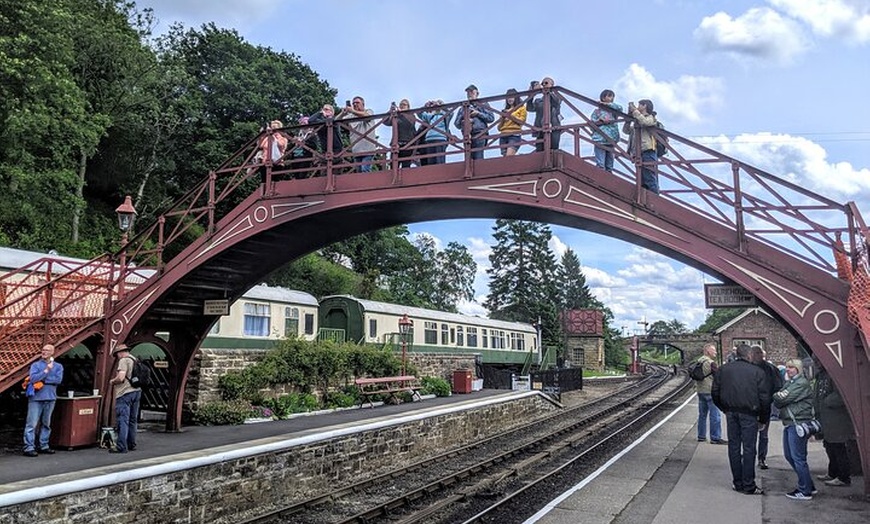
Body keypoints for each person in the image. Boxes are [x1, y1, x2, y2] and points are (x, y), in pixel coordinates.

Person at [712, 343, 770, 495]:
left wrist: (724, 408)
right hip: (750, 413)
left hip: (731, 412)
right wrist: (763, 419)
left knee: (734, 447)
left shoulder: (723, 370)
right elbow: (764, 398)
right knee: (749, 448)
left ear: (736, 354)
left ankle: (737, 482)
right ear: (749, 355)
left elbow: (715, 392)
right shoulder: (757, 372)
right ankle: (749, 484)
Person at [773, 358, 817, 500]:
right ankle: (808, 484)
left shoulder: (800, 383)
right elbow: (779, 398)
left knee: (798, 457)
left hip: (798, 423)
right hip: (790, 422)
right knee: (790, 456)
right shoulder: (791, 383)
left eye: (791, 367)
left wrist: (779, 397)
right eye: (787, 367)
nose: (788, 369)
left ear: (798, 368)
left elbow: (782, 398)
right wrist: (779, 397)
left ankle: (805, 490)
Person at [813, 357, 854, 487]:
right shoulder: (821, 376)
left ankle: (843, 477)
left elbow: (841, 394)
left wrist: (826, 402)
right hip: (827, 418)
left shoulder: (834, 374)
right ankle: (833, 472)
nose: (817, 363)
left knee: (838, 447)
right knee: (830, 446)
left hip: (836, 418)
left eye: (818, 360)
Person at [23, 343, 64, 457]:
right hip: (36, 398)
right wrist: (46, 371)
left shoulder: (58, 366)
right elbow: (33, 379)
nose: (44, 352)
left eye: (47, 350)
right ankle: (29, 447)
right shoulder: (35, 365)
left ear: (52, 352)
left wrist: (43, 380)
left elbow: (58, 380)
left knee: (46, 423)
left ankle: (44, 445)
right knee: (31, 424)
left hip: (50, 397)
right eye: (43, 350)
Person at [751, 346, 783, 470]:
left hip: (763, 405)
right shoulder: (770, 368)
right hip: (756, 404)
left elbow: (778, 386)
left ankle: (761, 457)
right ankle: (755, 457)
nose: (756, 355)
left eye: (758, 353)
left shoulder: (770, 369)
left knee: (762, 434)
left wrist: (770, 398)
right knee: (754, 434)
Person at [621, 99, 659, 193]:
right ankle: (643, 195)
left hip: (648, 151)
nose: (637, 107)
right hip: (638, 152)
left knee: (649, 176)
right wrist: (628, 119)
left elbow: (645, 122)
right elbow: (626, 130)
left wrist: (634, 111)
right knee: (641, 178)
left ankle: (654, 197)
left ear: (644, 106)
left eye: (639, 105)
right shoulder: (637, 121)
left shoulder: (651, 117)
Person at [109, 344, 142, 453]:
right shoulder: (135, 360)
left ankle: (121, 446)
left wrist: (112, 381)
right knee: (133, 420)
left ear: (120, 353)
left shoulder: (124, 361)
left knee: (123, 420)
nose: (117, 357)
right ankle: (131, 444)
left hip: (125, 393)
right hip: (137, 391)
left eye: (117, 354)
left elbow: (121, 377)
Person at [454, 84, 495, 160]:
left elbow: (491, 118)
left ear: (477, 93)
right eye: (468, 93)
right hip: (467, 136)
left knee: (478, 158)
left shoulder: (483, 104)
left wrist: (478, 113)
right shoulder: (463, 107)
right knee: (468, 159)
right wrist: (464, 115)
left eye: (472, 92)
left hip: (480, 133)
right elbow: (457, 124)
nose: (470, 94)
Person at [695, 344, 725, 444]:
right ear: (708, 351)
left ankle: (701, 436)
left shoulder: (699, 361)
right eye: (713, 350)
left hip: (700, 391)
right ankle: (715, 437)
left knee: (702, 415)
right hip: (710, 391)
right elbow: (718, 377)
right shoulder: (711, 363)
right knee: (715, 415)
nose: (715, 352)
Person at [339, 96, 378, 172]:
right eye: (353, 103)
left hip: (368, 149)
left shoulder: (369, 111)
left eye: (357, 102)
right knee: (359, 172)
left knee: (365, 169)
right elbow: (336, 122)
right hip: (356, 150)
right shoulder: (350, 116)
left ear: (363, 104)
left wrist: (352, 111)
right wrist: (342, 114)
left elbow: (367, 116)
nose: (355, 104)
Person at [590, 89, 623, 172]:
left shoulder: (613, 110)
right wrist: (599, 121)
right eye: (609, 96)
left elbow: (620, 108)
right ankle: (600, 176)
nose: (611, 98)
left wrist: (606, 104)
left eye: (612, 96)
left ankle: (608, 176)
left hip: (611, 139)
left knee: (609, 165)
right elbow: (592, 123)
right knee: (600, 164)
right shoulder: (597, 112)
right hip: (600, 139)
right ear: (603, 97)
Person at [526, 77, 562, 152]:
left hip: (554, 127)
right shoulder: (538, 101)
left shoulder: (557, 96)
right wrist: (531, 95)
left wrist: (549, 91)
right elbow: (529, 108)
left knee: (553, 150)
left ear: (552, 85)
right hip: (540, 128)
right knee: (539, 150)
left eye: (546, 83)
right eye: (542, 84)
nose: (544, 85)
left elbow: (556, 103)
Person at [383, 99, 418, 168]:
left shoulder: (411, 115)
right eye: (400, 104)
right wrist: (390, 111)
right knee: (393, 167)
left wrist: (402, 113)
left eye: (404, 105)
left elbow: (411, 122)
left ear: (408, 107)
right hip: (396, 145)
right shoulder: (396, 116)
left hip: (408, 145)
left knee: (406, 167)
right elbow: (385, 121)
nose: (402, 106)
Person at [419, 100, 451, 166]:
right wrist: (426, 106)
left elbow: (451, 113)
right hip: (429, 139)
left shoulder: (445, 115)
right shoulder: (431, 116)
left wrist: (442, 106)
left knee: (439, 162)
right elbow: (419, 113)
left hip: (440, 138)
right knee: (431, 162)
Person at [497, 88, 527, 156]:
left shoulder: (521, 108)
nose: (509, 99)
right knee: (505, 158)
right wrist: (503, 118)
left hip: (514, 135)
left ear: (516, 98)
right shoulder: (504, 110)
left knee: (509, 156)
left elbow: (522, 121)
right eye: (508, 97)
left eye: (512, 97)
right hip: (503, 135)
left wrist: (510, 116)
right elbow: (499, 128)